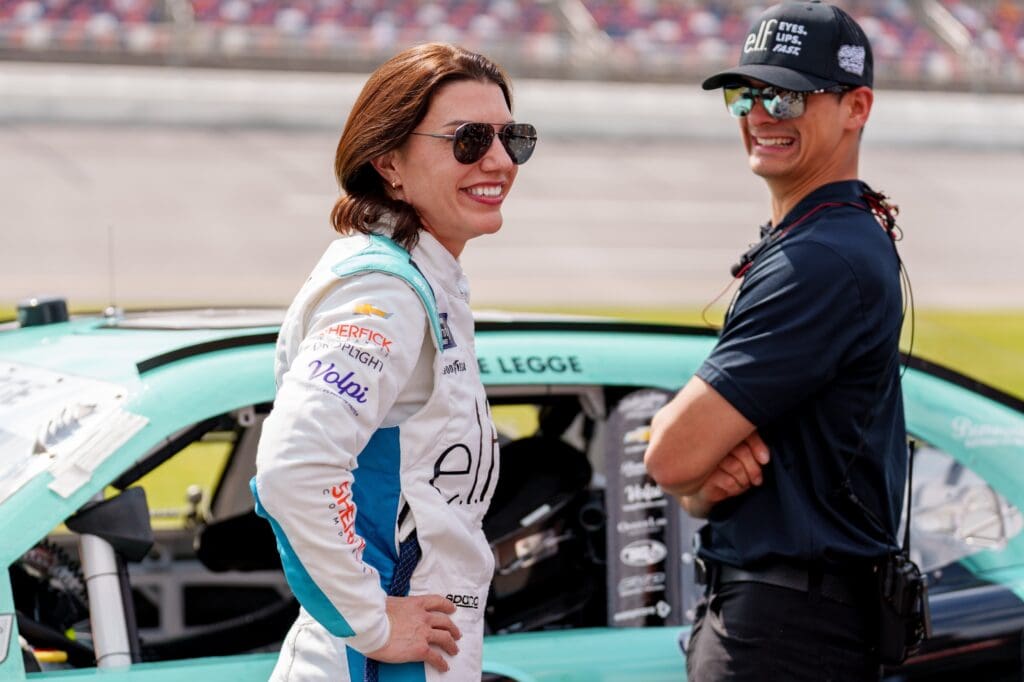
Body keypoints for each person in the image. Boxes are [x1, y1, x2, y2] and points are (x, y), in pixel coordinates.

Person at [250, 43, 537, 681]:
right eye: (468, 139)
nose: (498, 160)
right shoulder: (384, 291)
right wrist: (371, 622)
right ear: (389, 164)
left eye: (512, 138)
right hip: (372, 664)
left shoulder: (421, 278)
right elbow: (293, 467)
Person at [644, 2, 906, 680]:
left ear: (856, 107)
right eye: (745, 94)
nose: (761, 115)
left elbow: (669, 453)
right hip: (787, 618)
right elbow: (690, 475)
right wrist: (702, 484)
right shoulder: (826, 237)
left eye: (787, 96)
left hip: (784, 633)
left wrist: (692, 469)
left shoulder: (820, 259)